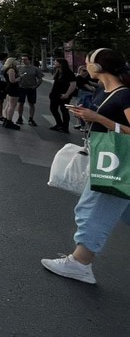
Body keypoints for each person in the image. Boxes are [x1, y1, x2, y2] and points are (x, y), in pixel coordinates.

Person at [42, 48, 130, 284]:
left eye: (88, 61)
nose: (85, 64)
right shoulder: (104, 90)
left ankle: (80, 264)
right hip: (107, 156)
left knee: (94, 211)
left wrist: (98, 118)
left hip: (118, 162)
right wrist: (87, 116)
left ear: (97, 67)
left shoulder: (125, 95)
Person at [48, 58, 76, 133]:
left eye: (56, 62)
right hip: (55, 94)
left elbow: (73, 84)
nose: (54, 63)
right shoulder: (58, 72)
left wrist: (67, 94)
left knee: (64, 110)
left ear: (60, 64)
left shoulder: (68, 73)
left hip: (63, 94)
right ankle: (59, 124)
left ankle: (65, 127)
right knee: (53, 108)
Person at [15, 54, 43, 126]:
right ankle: (20, 118)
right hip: (21, 88)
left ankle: (31, 118)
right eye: (22, 59)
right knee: (20, 103)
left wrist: (36, 86)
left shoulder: (35, 69)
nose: (23, 61)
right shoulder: (18, 68)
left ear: (29, 60)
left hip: (31, 88)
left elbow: (40, 79)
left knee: (31, 104)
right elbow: (15, 77)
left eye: (25, 59)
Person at [72, 65, 99, 130]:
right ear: (79, 70)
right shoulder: (81, 78)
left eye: (86, 71)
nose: (85, 72)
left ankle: (81, 124)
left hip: (80, 95)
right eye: (83, 70)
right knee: (84, 109)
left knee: (79, 108)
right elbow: (90, 88)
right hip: (85, 96)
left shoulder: (79, 77)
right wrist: (93, 88)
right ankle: (84, 126)